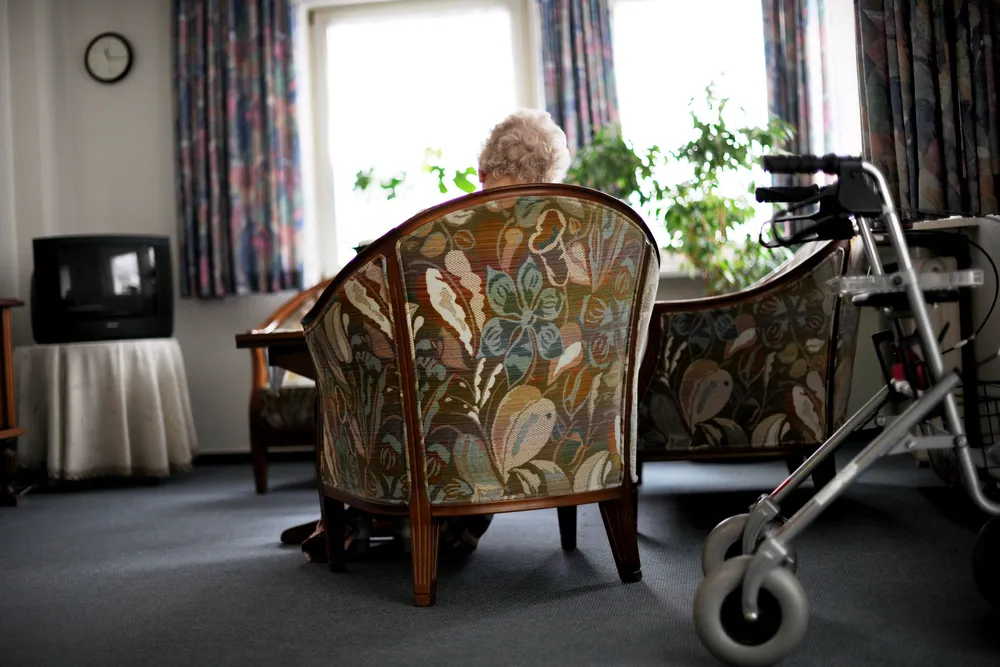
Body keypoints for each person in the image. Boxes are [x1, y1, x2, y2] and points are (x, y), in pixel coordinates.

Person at [294, 109, 572, 562]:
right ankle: (451, 520)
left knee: (392, 377)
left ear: (481, 170)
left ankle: (365, 512)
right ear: (551, 180)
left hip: (440, 410)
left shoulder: (435, 234)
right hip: (553, 407)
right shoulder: (576, 237)